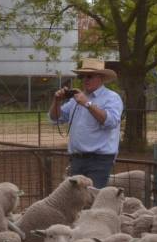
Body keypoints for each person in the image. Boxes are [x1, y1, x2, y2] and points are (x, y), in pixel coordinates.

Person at [49, 58, 124, 188]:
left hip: (99, 160)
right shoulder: (77, 99)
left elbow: (111, 121)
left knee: (92, 199)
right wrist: (56, 101)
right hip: (77, 159)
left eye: (89, 76)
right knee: (76, 200)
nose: (85, 80)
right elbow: (56, 118)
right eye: (82, 76)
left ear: (100, 77)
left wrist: (87, 104)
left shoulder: (111, 98)